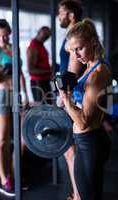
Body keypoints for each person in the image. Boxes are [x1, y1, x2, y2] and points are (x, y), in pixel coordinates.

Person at [58, 18, 112, 200]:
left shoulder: (97, 74)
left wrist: (66, 99)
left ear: (93, 42)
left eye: (79, 48)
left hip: (90, 142)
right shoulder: (90, 66)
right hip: (88, 141)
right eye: (73, 51)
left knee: (89, 196)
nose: (76, 55)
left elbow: (81, 123)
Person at [0, 19, 27, 196]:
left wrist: (26, 95)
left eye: (5, 35)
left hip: (16, 95)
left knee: (21, 138)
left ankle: (13, 174)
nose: (3, 38)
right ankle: (5, 181)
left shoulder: (14, 49)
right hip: (1, 95)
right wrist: (1, 70)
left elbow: (20, 74)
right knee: (1, 139)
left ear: (10, 32)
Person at [58, 1, 83, 199]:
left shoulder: (75, 35)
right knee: (70, 150)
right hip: (70, 96)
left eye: (61, 13)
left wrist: (63, 97)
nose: (59, 16)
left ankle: (78, 195)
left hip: (72, 97)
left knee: (70, 150)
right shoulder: (73, 33)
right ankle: (77, 193)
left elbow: (71, 74)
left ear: (71, 14)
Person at [26, 26, 52, 104]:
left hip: (45, 81)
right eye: (44, 35)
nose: (46, 38)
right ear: (38, 33)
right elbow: (31, 70)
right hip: (38, 83)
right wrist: (49, 71)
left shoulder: (40, 45)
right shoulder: (34, 46)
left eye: (47, 36)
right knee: (42, 110)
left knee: (48, 109)